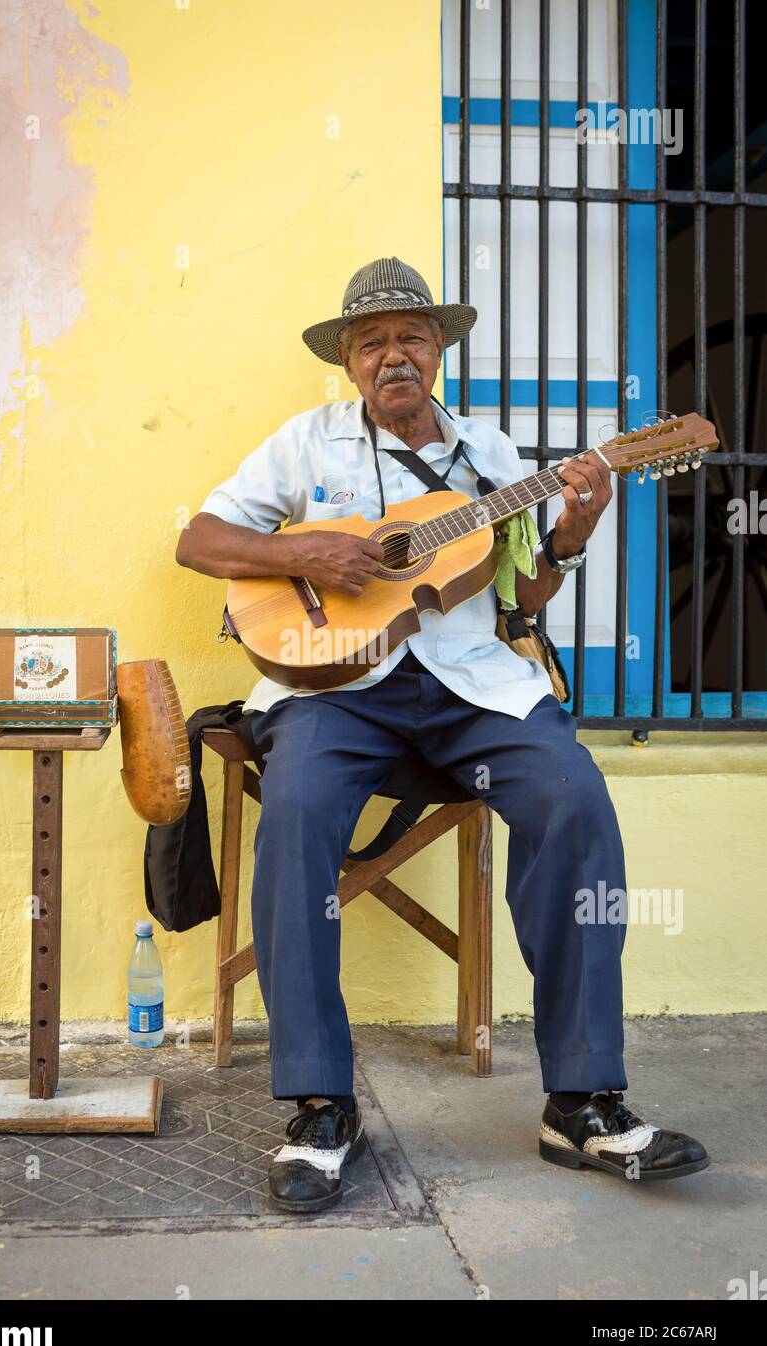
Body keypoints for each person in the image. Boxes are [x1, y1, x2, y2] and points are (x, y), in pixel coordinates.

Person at [176, 257, 709, 1214]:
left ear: (439, 351)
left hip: (473, 691)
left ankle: (582, 1101)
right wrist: (305, 551)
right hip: (338, 690)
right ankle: (318, 1106)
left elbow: (525, 595)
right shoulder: (305, 445)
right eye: (373, 342)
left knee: (574, 800)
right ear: (347, 360)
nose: (394, 357)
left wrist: (574, 529)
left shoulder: (493, 459)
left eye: (412, 338)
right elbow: (200, 541)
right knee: (295, 814)